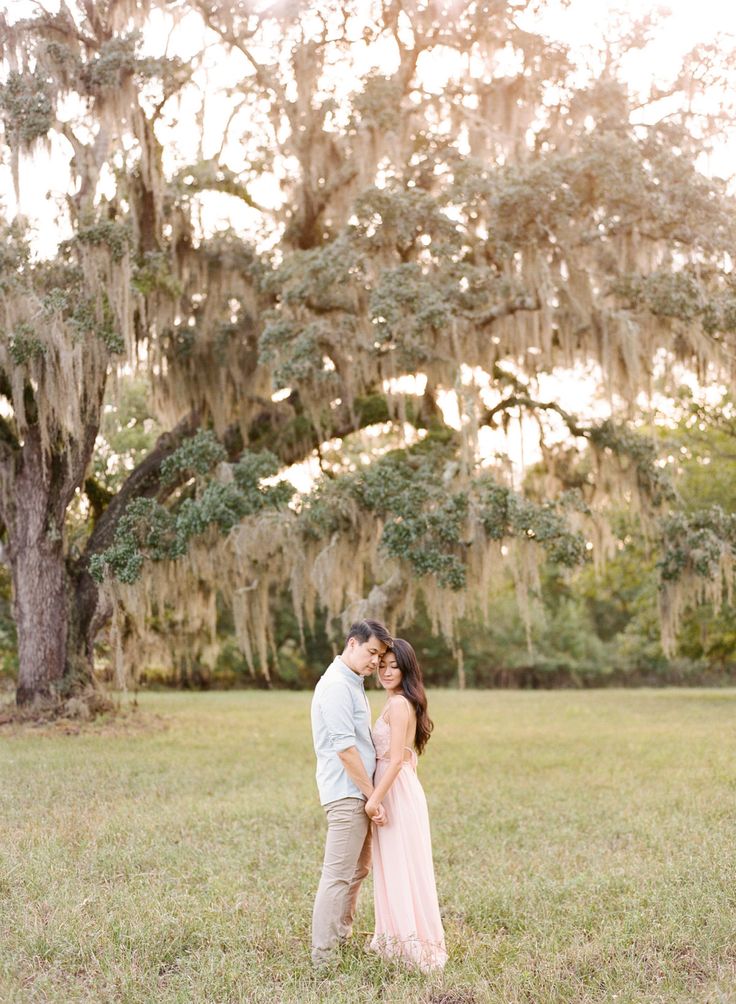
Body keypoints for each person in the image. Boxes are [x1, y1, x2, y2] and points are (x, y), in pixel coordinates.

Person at [310, 618, 393, 967]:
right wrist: (372, 796)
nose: (376, 661)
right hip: (347, 793)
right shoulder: (335, 686)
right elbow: (345, 749)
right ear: (352, 644)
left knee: (359, 869)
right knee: (338, 874)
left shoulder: (352, 682)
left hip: (359, 792)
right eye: (372, 652)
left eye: (380, 656)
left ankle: (340, 935)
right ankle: (324, 957)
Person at [366, 638, 447, 972]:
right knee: (394, 865)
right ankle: (394, 937)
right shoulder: (396, 701)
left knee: (401, 865)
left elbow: (397, 759)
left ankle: (410, 944)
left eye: (393, 666)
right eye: (382, 665)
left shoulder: (400, 704)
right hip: (397, 786)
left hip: (394, 789)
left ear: (407, 668)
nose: (385, 671)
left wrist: (374, 799)